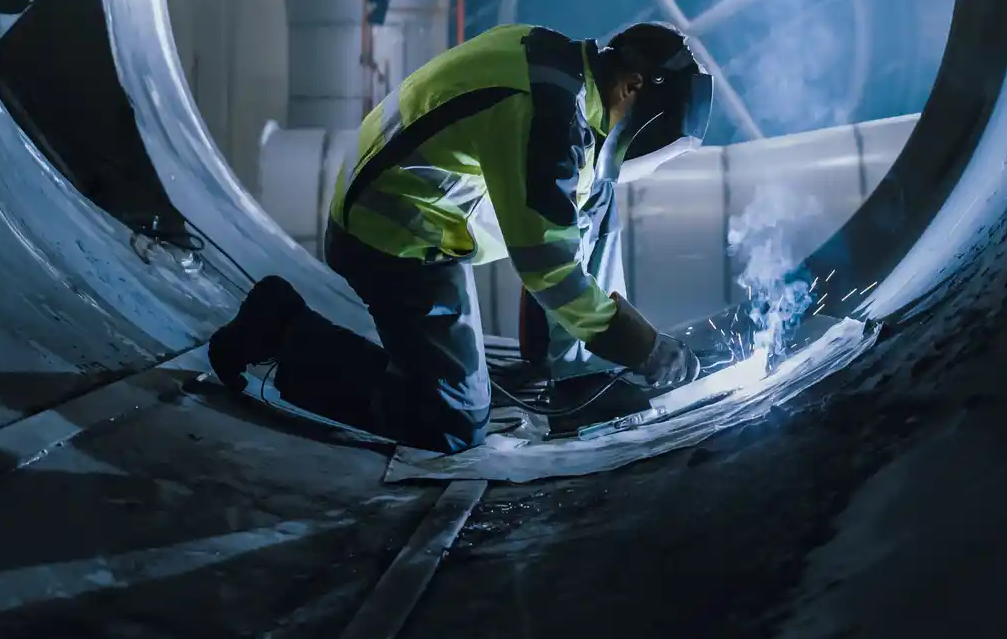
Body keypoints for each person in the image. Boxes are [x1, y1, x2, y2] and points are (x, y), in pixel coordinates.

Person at [208, 22, 712, 452]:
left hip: (418, 197)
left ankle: (579, 375)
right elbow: (549, 269)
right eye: (658, 134)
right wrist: (642, 346)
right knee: (451, 424)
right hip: (394, 235)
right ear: (632, 86)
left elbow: (576, 209)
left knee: (595, 192)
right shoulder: (549, 119)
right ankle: (282, 331)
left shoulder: (560, 66)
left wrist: (587, 359)